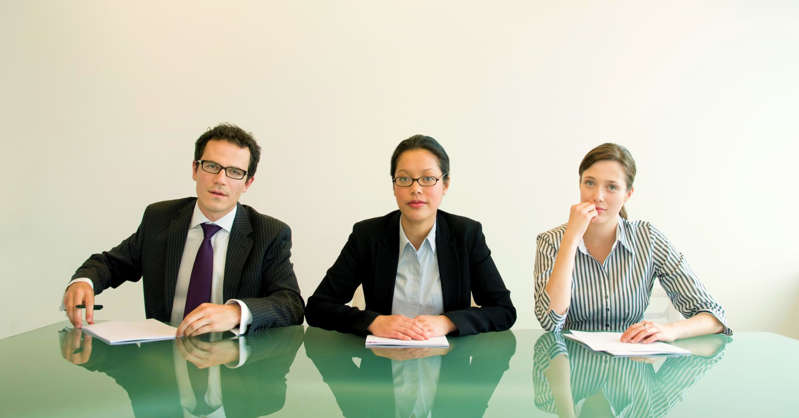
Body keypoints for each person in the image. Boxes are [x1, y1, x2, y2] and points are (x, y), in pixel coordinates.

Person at [62, 124, 304, 336]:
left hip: (234, 365)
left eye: (234, 172)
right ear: (195, 170)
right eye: (211, 166)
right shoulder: (160, 219)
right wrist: (84, 282)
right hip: (163, 358)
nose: (220, 179)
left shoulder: (269, 233)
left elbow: (291, 304)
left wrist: (235, 312)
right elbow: (111, 264)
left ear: (247, 183)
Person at [305, 135, 516, 339]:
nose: (415, 189)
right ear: (394, 186)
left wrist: (447, 322)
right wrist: (374, 322)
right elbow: (318, 308)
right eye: (404, 179)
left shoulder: (466, 235)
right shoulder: (367, 236)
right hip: (381, 365)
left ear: (445, 184)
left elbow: (503, 311)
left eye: (427, 179)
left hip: (450, 366)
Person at [534, 143, 730, 343]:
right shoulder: (551, 241)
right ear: (580, 184)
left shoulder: (648, 238)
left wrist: (670, 330)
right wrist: (571, 239)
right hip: (573, 364)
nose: (598, 196)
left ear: (628, 194)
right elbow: (550, 322)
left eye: (611, 187)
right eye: (590, 183)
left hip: (631, 362)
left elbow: (714, 317)